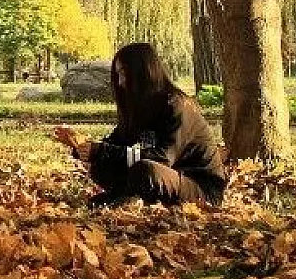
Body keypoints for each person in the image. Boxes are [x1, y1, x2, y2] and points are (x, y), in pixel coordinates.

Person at [52, 42, 227, 206]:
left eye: (123, 74)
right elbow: (116, 143)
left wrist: (101, 150)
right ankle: (124, 196)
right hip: (167, 177)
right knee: (101, 166)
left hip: (200, 188)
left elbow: (163, 158)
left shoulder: (177, 105)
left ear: (141, 73)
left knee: (146, 170)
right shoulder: (141, 109)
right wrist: (81, 145)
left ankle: (124, 197)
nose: (120, 83)